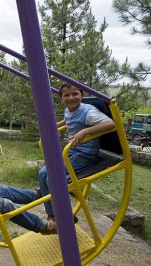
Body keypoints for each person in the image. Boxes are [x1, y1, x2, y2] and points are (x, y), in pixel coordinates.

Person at [38, 82, 115, 225]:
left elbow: (110, 124)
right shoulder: (69, 110)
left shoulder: (88, 112)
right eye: (66, 95)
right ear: (61, 99)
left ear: (82, 95)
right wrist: (53, 126)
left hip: (85, 155)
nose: (71, 98)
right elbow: (68, 120)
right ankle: (52, 214)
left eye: (75, 94)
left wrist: (84, 132)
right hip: (73, 151)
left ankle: (64, 215)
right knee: (42, 173)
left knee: (52, 178)